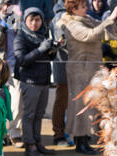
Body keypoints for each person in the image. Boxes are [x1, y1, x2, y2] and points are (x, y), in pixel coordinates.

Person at [58, 0, 117, 154]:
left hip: (90, 69)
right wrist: (110, 18)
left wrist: (113, 20)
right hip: (79, 70)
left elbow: (106, 30)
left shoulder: (87, 19)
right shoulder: (71, 24)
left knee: (90, 105)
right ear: (73, 9)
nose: (86, 8)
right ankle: (79, 141)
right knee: (80, 106)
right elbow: (90, 35)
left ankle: (86, 139)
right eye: (83, 7)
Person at [14, 7, 57, 156]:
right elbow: (22, 60)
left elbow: (48, 59)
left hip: (44, 80)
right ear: (25, 21)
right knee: (29, 114)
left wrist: (53, 50)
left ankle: (37, 142)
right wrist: (40, 49)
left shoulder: (42, 34)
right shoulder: (21, 37)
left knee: (39, 114)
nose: (34, 23)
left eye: (37, 19)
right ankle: (29, 144)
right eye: (30, 20)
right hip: (30, 81)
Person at [0, 1, 25, 148]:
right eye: (4, 4)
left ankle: (14, 133)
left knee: (17, 102)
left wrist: (16, 24)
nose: (6, 7)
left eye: (9, 4)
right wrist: (2, 24)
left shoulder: (18, 19)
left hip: (15, 67)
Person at [50, 0, 70, 147]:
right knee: (62, 100)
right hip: (63, 63)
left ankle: (68, 133)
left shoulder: (70, 14)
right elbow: (60, 41)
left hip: (72, 64)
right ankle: (58, 134)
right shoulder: (60, 16)